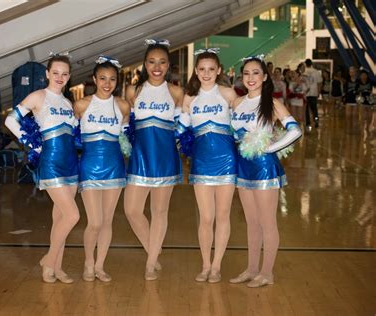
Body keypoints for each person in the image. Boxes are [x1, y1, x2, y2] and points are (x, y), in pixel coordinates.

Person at [5, 54, 79, 283]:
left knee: (60, 220)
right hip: (51, 164)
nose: (60, 77)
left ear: (69, 76)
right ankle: (48, 259)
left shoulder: (68, 103)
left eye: (65, 73)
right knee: (73, 215)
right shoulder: (38, 96)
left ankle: (54, 268)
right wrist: (33, 146)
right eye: (55, 72)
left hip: (71, 165)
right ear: (47, 74)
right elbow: (10, 121)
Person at [229, 55, 302, 288]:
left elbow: (295, 131)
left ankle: (267, 273)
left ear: (265, 76)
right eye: (247, 73)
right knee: (251, 222)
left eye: (256, 73)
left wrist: (269, 148)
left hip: (263, 169)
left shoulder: (272, 102)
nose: (251, 78)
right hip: (243, 167)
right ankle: (251, 269)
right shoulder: (237, 102)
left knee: (267, 222)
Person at [124, 39, 184, 281]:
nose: (156, 67)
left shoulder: (176, 92)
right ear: (145, 64)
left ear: (168, 65)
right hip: (139, 157)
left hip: (165, 158)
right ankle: (154, 250)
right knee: (131, 210)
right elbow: (124, 124)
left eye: (161, 62)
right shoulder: (132, 91)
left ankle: (150, 263)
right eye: (151, 62)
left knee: (159, 211)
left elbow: (183, 128)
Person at [177, 48, 237, 283]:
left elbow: (243, 124)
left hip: (226, 162)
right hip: (201, 163)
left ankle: (217, 266)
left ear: (219, 70)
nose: (206, 73)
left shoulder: (228, 93)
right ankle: (205, 265)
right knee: (205, 217)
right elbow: (180, 131)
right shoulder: (190, 98)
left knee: (223, 215)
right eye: (202, 69)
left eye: (211, 69)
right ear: (196, 71)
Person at [74, 56, 130, 282]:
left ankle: (100, 265)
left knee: (107, 221)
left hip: (115, 166)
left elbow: (125, 138)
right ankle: (88, 262)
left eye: (112, 79)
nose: (107, 83)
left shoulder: (123, 106)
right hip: (89, 167)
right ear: (94, 79)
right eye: (103, 78)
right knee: (94, 221)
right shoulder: (82, 105)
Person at [303, 59, 322, 129]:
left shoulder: (304, 72)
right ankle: (316, 120)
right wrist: (319, 92)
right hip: (314, 93)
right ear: (312, 64)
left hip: (306, 93)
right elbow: (319, 83)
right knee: (314, 109)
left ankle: (308, 124)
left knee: (306, 109)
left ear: (305, 64)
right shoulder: (316, 72)